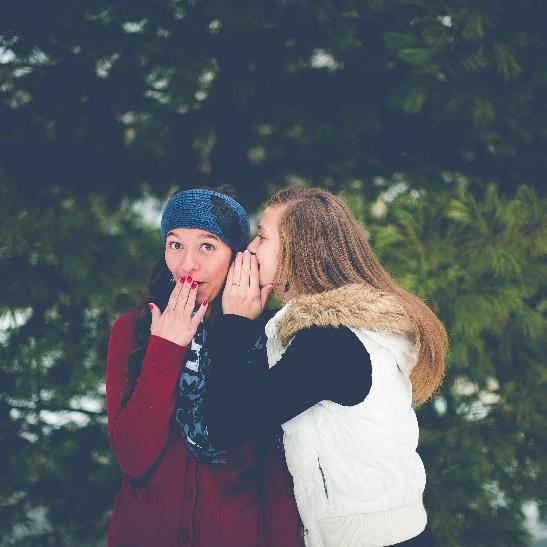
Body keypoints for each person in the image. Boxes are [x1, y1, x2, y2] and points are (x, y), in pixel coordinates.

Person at [203, 187, 448, 546]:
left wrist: (235, 323)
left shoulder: (328, 344)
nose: (251, 250)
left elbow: (225, 425)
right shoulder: (355, 331)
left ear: (297, 250)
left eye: (263, 236)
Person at [105, 186, 302, 547]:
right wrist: (165, 349)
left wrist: (237, 329)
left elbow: (275, 472)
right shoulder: (132, 331)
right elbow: (132, 457)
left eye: (207, 246)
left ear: (236, 257)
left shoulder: (267, 335)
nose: (186, 264)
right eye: (175, 244)